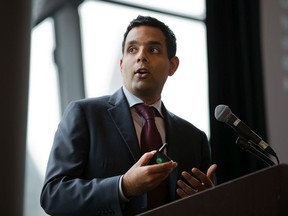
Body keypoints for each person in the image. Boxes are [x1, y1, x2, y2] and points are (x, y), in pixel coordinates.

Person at [40, 15, 217, 216]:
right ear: (122, 63)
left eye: (153, 49)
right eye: (132, 49)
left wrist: (207, 200)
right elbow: (53, 195)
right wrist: (123, 187)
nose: (141, 56)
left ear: (173, 65)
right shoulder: (85, 115)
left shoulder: (194, 138)